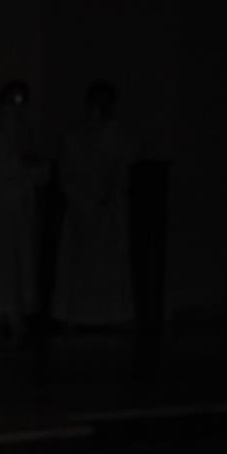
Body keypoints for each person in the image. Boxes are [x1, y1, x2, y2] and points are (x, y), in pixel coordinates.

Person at [52, 81, 136, 326]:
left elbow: (127, 159)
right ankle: (77, 315)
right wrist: (84, 199)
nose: (101, 108)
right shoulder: (73, 137)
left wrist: (108, 195)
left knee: (109, 264)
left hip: (110, 212)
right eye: (97, 102)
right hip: (82, 211)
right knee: (80, 263)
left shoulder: (117, 136)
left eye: (106, 103)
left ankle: (110, 315)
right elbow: (66, 175)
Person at [0, 79, 45, 340]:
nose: (15, 106)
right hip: (0, 204)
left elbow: (38, 167)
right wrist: (16, 165)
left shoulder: (27, 133)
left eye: (20, 100)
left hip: (21, 205)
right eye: (11, 100)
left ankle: (16, 310)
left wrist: (31, 170)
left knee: (20, 256)